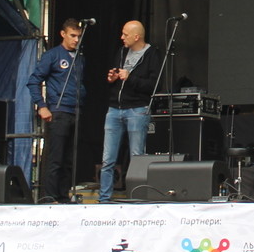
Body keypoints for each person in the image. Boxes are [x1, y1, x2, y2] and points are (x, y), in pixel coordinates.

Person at [99, 20, 162, 203]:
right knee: (107, 159)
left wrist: (130, 77)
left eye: (125, 34)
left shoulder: (152, 54)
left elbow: (154, 85)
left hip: (137, 109)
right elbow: (118, 78)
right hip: (114, 109)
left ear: (136, 36)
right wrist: (113, 79)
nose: (122, 37)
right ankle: (104, 198)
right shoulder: (121, 52)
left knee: (137, 157)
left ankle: (136, 198)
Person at [25, 19, 85, 203]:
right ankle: (49, 197)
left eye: (78, 36)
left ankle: (63, 196)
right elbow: (33, 81)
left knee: (69, 160)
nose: (76, 40)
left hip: (76, 111)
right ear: (63, 34)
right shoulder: (52, 55)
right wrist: (42, 106)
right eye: (72, 36)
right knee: (55, 158)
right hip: (58, 111)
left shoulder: (80, 57)